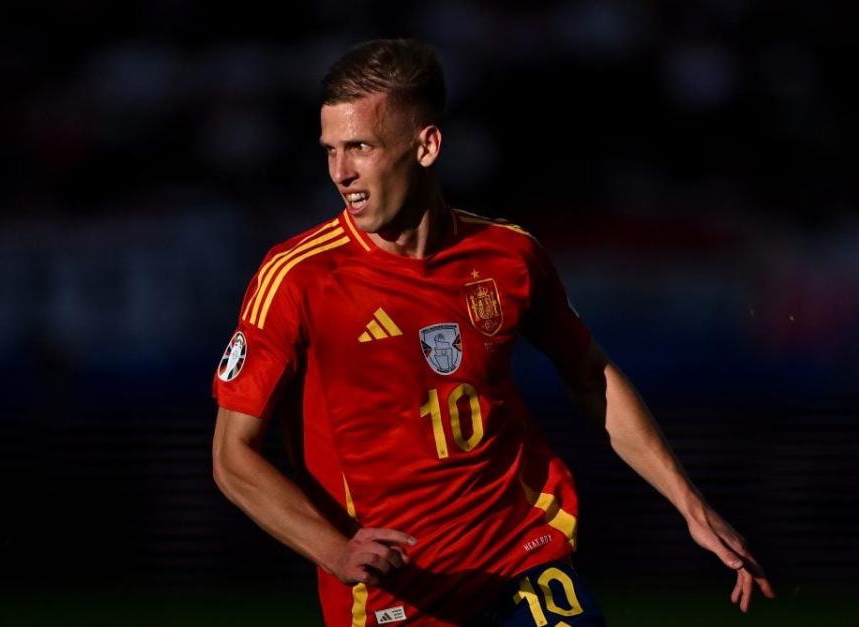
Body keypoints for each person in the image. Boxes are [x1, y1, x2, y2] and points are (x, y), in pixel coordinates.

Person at [211, 38, 774, 626]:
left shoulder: (507, 255)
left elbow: (591, 377)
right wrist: (335, 549)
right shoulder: (298, 278)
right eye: (330, 150)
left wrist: (691, 505)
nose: (340, 172)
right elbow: (232, 457)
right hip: (399, 593)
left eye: (361, 147)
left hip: (523, 559)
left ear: (426, 145)